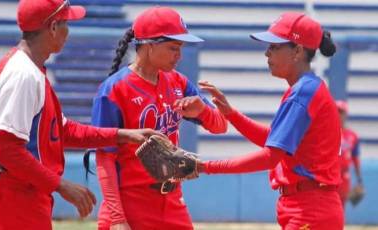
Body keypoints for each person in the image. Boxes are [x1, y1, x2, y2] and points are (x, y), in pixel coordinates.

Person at [0, 0, 159, 229]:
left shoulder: (30, 69)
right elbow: (8, 151)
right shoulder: (23, 75)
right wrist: (61, 185)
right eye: (66, 23)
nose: (68, 31)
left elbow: (62, 131)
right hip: (14, 196)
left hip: (20, 193)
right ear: (53, 28)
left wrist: (123, 134)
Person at [196, 12, 343, 229]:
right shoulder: (305, 89)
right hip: (306, 204)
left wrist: (204, 166)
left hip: (310, 208)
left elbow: (270, 156)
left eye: (274, 47)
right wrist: (230, 114)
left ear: (298, 51)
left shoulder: (304, 92)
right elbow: (274, 141)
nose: (267, 53)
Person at [89, 6, 228, 230]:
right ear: (149, 46)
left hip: (172, 202)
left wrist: (202, 110)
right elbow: (105, 157)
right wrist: (116, 217)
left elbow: (221, 126)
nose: (179, 55)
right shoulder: (114, 90)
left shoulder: (178, 82)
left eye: (181, 47)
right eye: (173, 47)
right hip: (130, 203)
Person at [336, 100, 363, 207]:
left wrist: (359, 180)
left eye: (341, 112)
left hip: (344, 176)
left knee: (341, 207)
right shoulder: (325, 132)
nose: (339, 114)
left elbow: (355, 158)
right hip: (329, 175)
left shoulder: (352, 136)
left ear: (345, 114)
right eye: (337, 111)